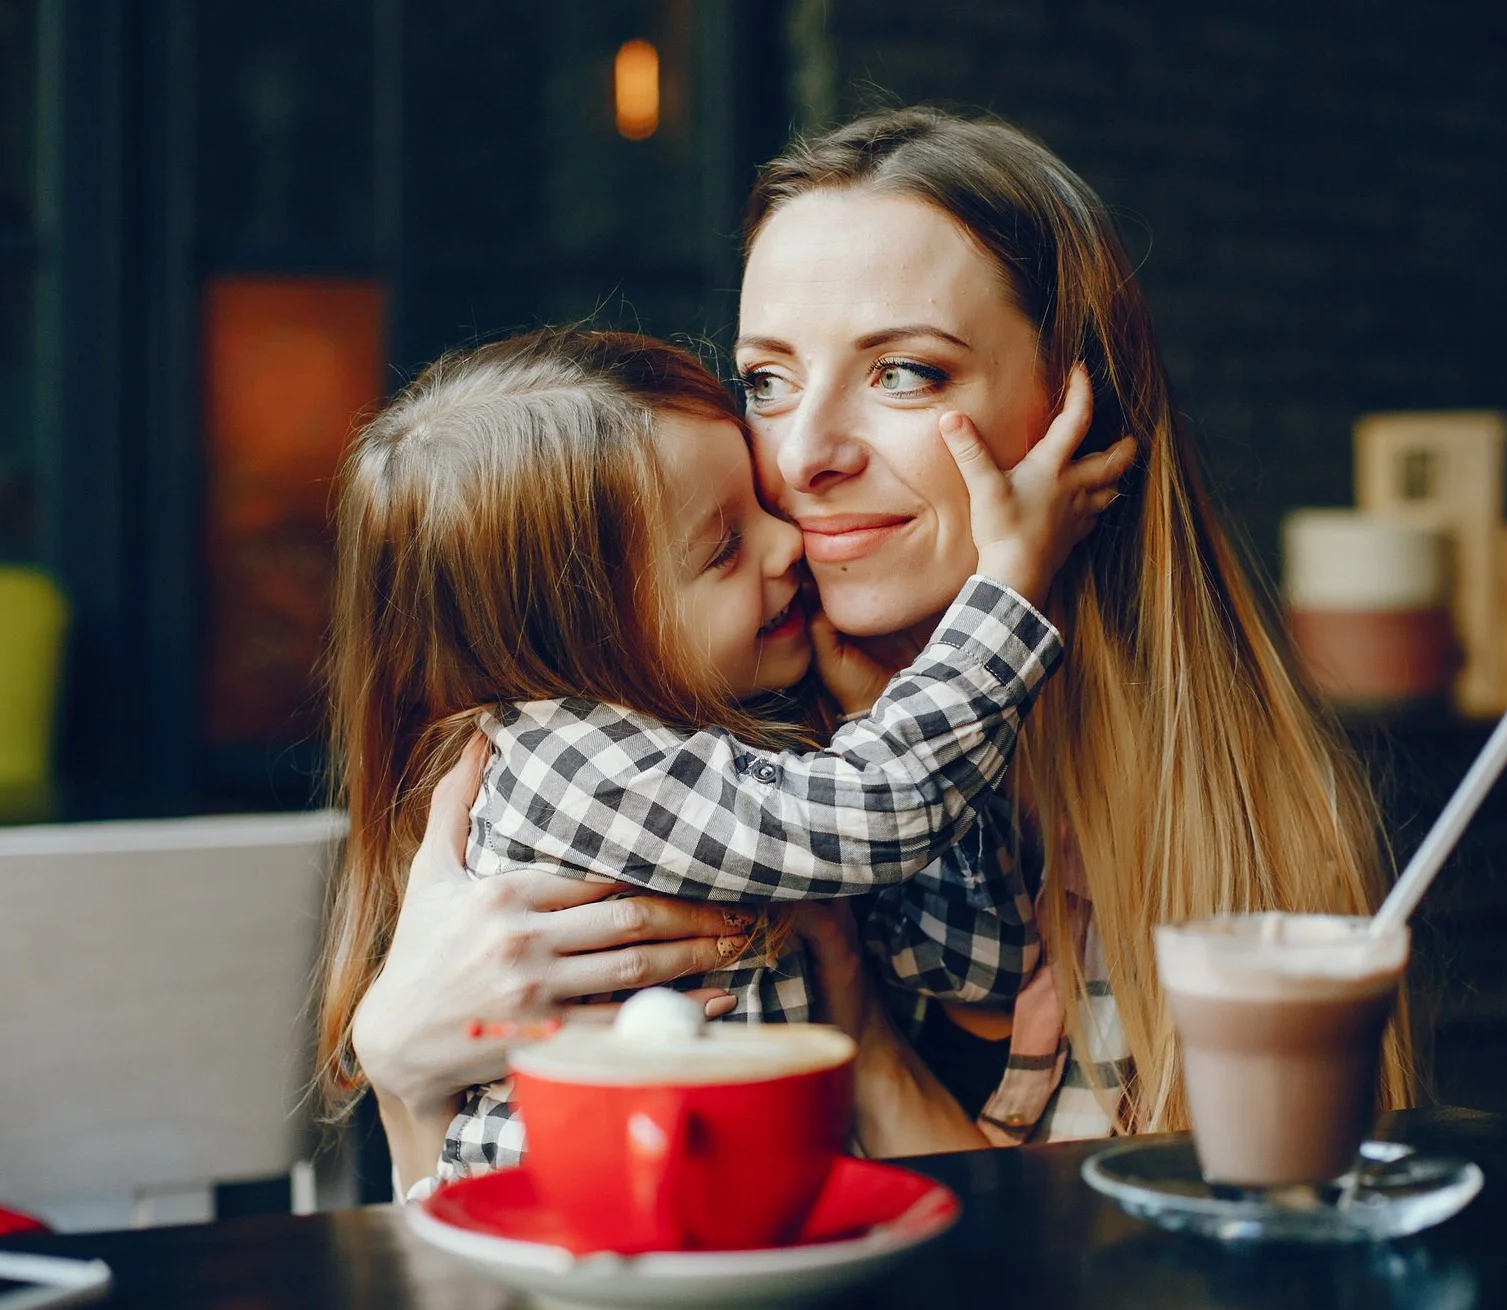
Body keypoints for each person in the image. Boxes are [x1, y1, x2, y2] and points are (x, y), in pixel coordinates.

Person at [349, 108, 1410, 1193]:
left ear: (1072, 415)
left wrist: (869, 1029)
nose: (806, 457)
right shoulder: (704, 719)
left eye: (905, 372)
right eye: (765, 380)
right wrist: (404, 1077)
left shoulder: (1205, 814)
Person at [314, 327, 1130, 1181]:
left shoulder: (742, 745)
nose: (788, 546)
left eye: (761, 509)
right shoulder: (570, 764)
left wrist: (881, 719)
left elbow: (974, 963)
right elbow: (882, 812)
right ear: (582, 640)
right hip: (580, 1236)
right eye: (724, 548)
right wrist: (1005, 581)